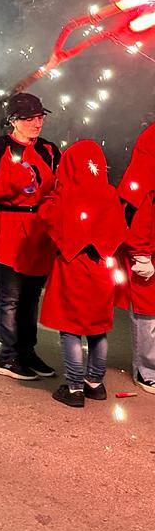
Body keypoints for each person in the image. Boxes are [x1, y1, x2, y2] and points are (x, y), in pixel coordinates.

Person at [0, 93, 60, 381]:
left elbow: (60, 185)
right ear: (14, 121)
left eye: (40, 117)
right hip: (6, 226)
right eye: (30, 118)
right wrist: (12, 181)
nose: (37, 123)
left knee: (32, 296)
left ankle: (26, 351)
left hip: (38, 229)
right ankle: (6, 357)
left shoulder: (49, 150)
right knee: (10, 297)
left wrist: (52, 207)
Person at [38, 140, 127, 407]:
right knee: (98, 329)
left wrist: (53, 195)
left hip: (72, 266)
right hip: (101, 267)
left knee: (70, 328)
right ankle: (95, 383)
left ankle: (75, 386)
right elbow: (119, 228)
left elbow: (46, 216)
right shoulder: (109, 193)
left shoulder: (67, 194)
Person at [117, 124, 155, 394]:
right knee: (147, 315)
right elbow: (136, 214)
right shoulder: (142, 176)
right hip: (147, 253)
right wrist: (140, 254)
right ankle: (147, 370)